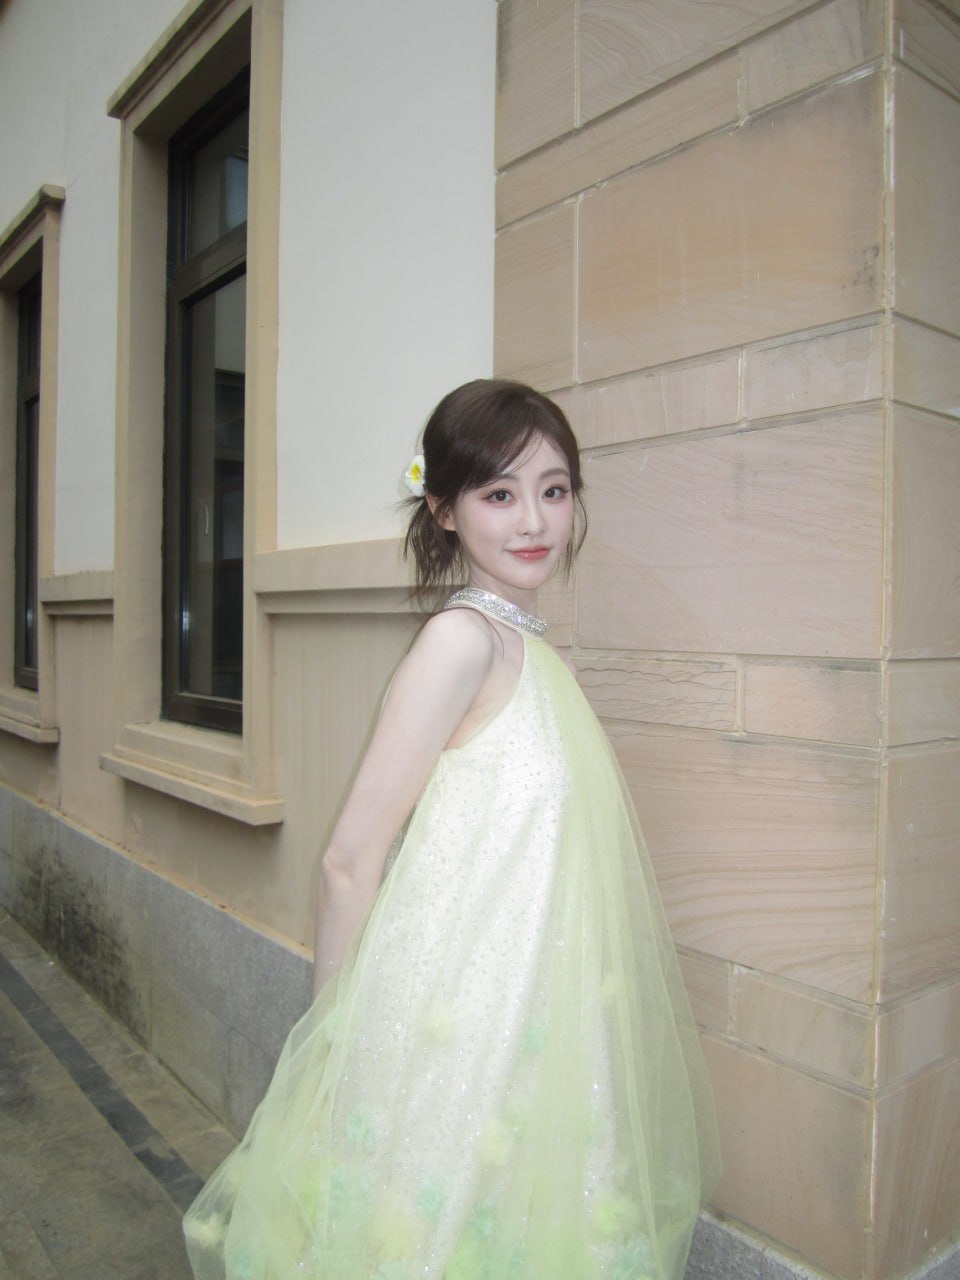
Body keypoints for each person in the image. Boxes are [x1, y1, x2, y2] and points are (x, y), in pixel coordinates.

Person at [183, 379, 719, 1280]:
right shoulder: (460, 643)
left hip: (525, 1022)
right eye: (499, 494)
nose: (534, 520)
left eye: (553, 490)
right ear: (443, 509)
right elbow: (349, 861)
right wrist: (333, 1050)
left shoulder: (527, 649)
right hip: (454, 1033)